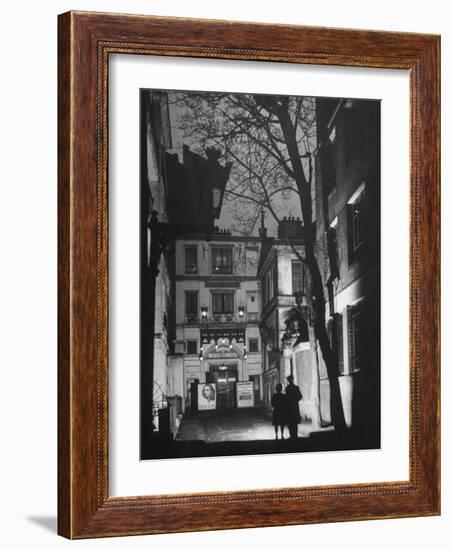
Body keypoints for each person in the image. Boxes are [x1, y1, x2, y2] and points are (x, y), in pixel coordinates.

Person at [285, 375, 302, 440]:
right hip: (294, 406)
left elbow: (286, 398)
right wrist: (295, 400)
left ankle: (292, 435)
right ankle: (295, 435)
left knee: (290, 422)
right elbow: (300, 396)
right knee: (295, 422)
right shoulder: (296, 388)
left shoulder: (287, 388)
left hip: (289, 407)